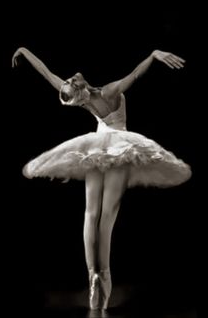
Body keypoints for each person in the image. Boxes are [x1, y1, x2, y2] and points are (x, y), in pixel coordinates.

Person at [12, 47, 191, 311]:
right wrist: (153, 55)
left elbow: (45, 73)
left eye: (70, 81)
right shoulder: (107, 91)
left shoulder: (80, 96)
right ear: (82, 90)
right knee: (104, 215)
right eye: (72, 82)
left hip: (97, 144)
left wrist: (24, 51)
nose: (71, 78)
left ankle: (93, 277)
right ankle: (102, 276)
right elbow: (134, 75)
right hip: (120, 144)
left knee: (90, 213)